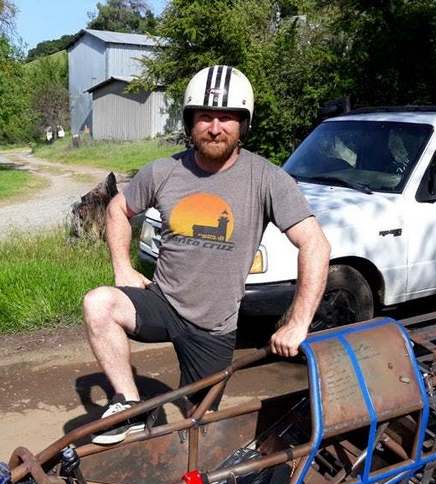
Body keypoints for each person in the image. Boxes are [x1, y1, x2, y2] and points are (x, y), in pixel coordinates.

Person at [82, 65, 331, 445]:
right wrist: (123, 266)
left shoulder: (267, 179)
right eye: (205, 116)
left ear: (243, 124)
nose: (215, 127)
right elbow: (118, 208)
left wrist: (298, 322)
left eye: (227, 117)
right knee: (98, 304)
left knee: (200, 425)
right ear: (190, 122)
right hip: (162, 302)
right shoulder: (163, 171)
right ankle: (130, 406)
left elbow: (315, 244)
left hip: (213, 326)